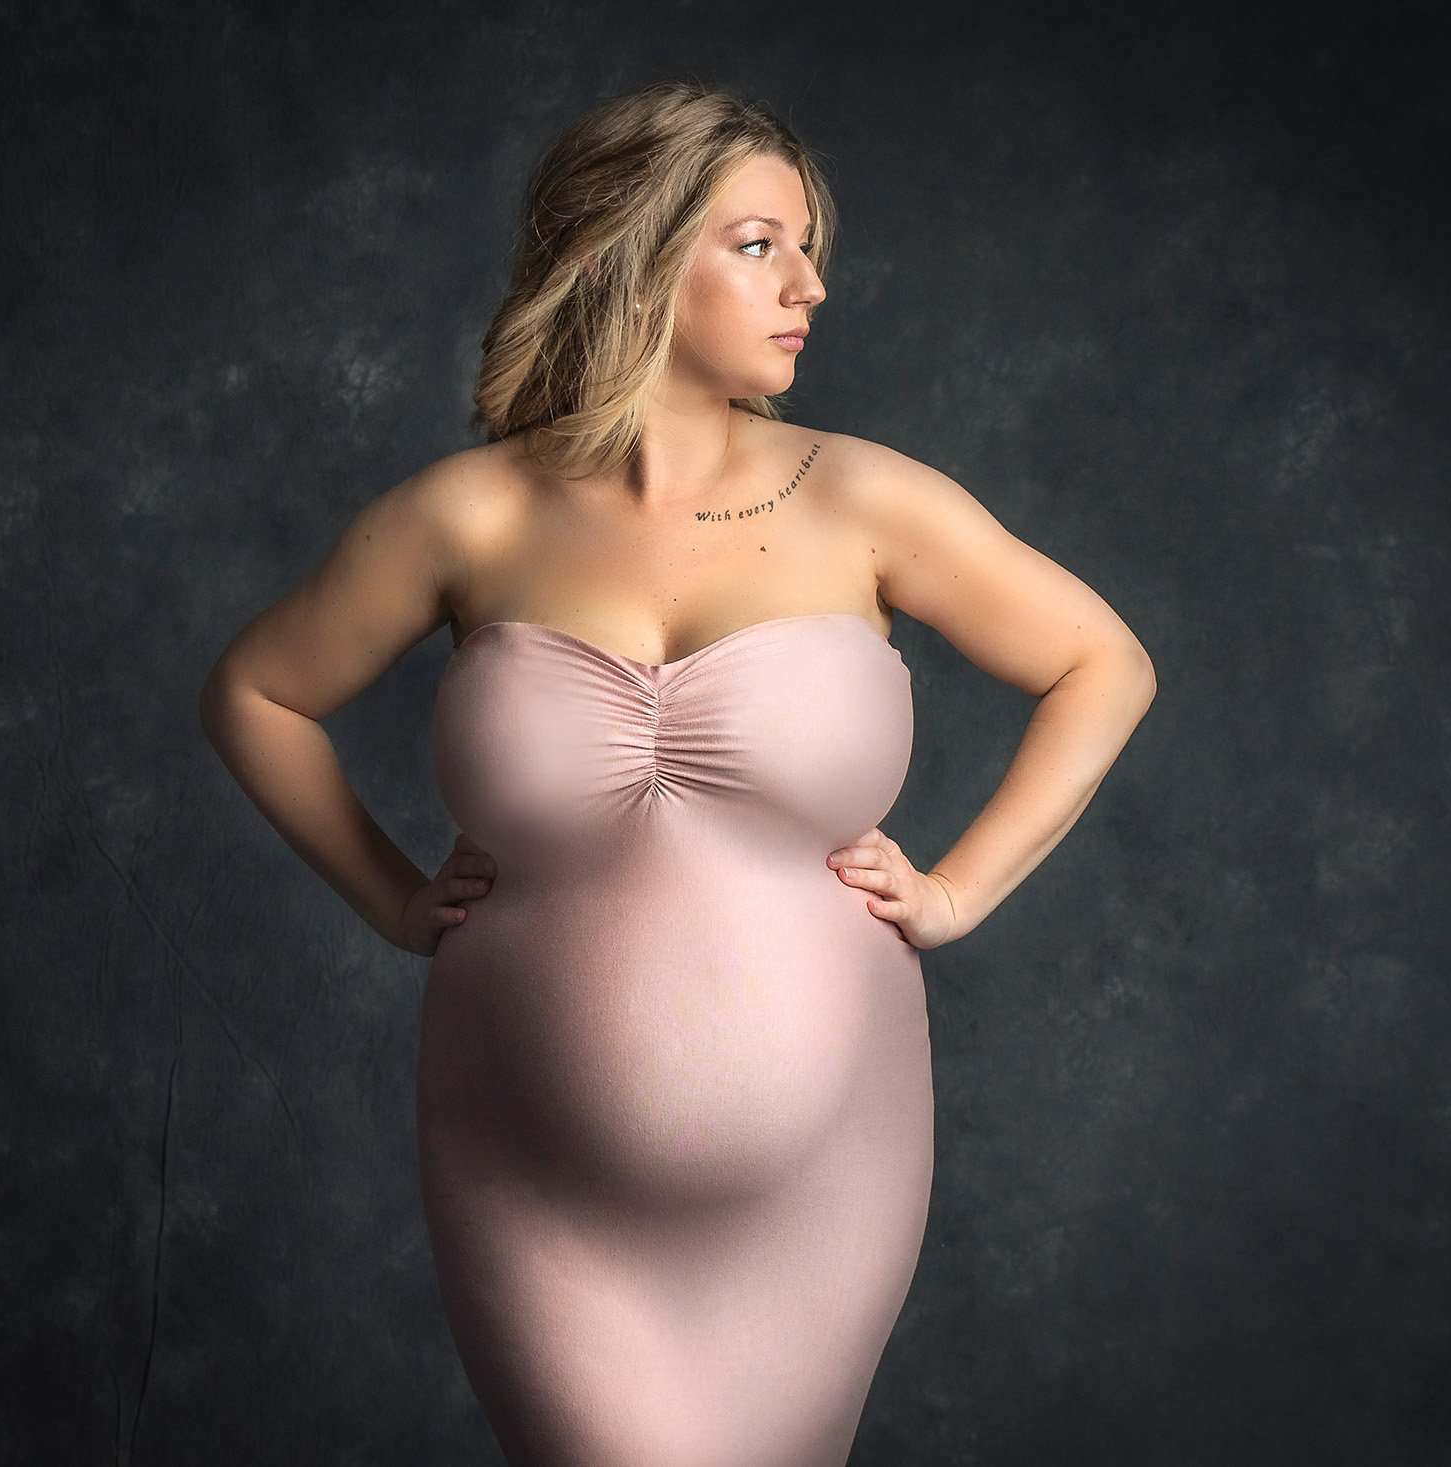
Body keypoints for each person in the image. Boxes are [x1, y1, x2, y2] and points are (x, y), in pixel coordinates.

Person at [200, 77, 1156, 1467]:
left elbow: (1103, 664)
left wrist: (958, 891)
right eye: (761, 243)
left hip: (830, 1166)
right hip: (531, 1174)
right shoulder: (467, 514)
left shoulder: (865, 497)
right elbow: (258, 690)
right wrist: (392, 900)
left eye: (806, 245)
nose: (812, 286)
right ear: (627, 256)